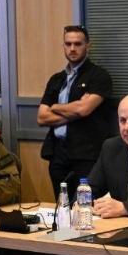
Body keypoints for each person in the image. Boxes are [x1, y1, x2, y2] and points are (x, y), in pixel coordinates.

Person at [37, 25, 113, 201]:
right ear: (63, 46)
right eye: (68, 44)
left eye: (78, 44)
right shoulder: (57, 79)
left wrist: (55, 107)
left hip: (86, 154)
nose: (72, 48)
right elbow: (41, 117)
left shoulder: (99, 76)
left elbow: (84, 109)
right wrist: (74, 110)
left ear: (88, 46)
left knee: (84, 205)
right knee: (61, 204)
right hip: (58, 153)